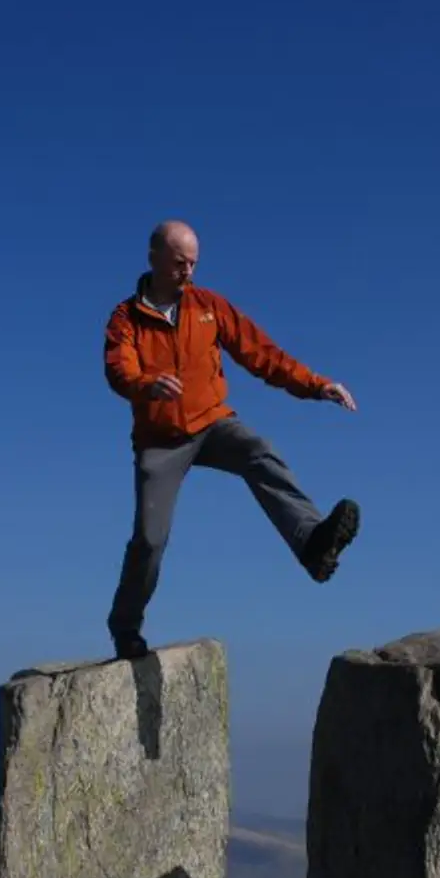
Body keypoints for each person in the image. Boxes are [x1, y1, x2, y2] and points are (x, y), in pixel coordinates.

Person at [101, 219, 361, 660]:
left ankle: (313, 544)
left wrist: (316, 385)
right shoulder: (126, 318)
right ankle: (126, 627)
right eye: (180, 263)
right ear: (155, 258)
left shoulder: (208, 306)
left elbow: (261, 354)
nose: (188, 272)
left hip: (212, 422)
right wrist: (146, 383)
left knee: (258, 451)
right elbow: (117, 367)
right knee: (150, 538)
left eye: (194, 264)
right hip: (160, 440)